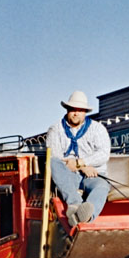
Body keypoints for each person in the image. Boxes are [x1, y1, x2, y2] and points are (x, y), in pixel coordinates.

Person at [46, 90, 111, 226]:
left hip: (92, 174)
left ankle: (85, 216)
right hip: (68, 175)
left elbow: (104, 153)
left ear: (85, 112)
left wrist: (82, 163)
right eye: (72, 109)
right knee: (53, 162)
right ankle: (75, 204)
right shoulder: (55, 129)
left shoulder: (97, 128)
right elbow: (55, 156)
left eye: (80, 110)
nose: (76, 113)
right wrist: (79, 166)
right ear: (67, 110)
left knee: (102, 186)